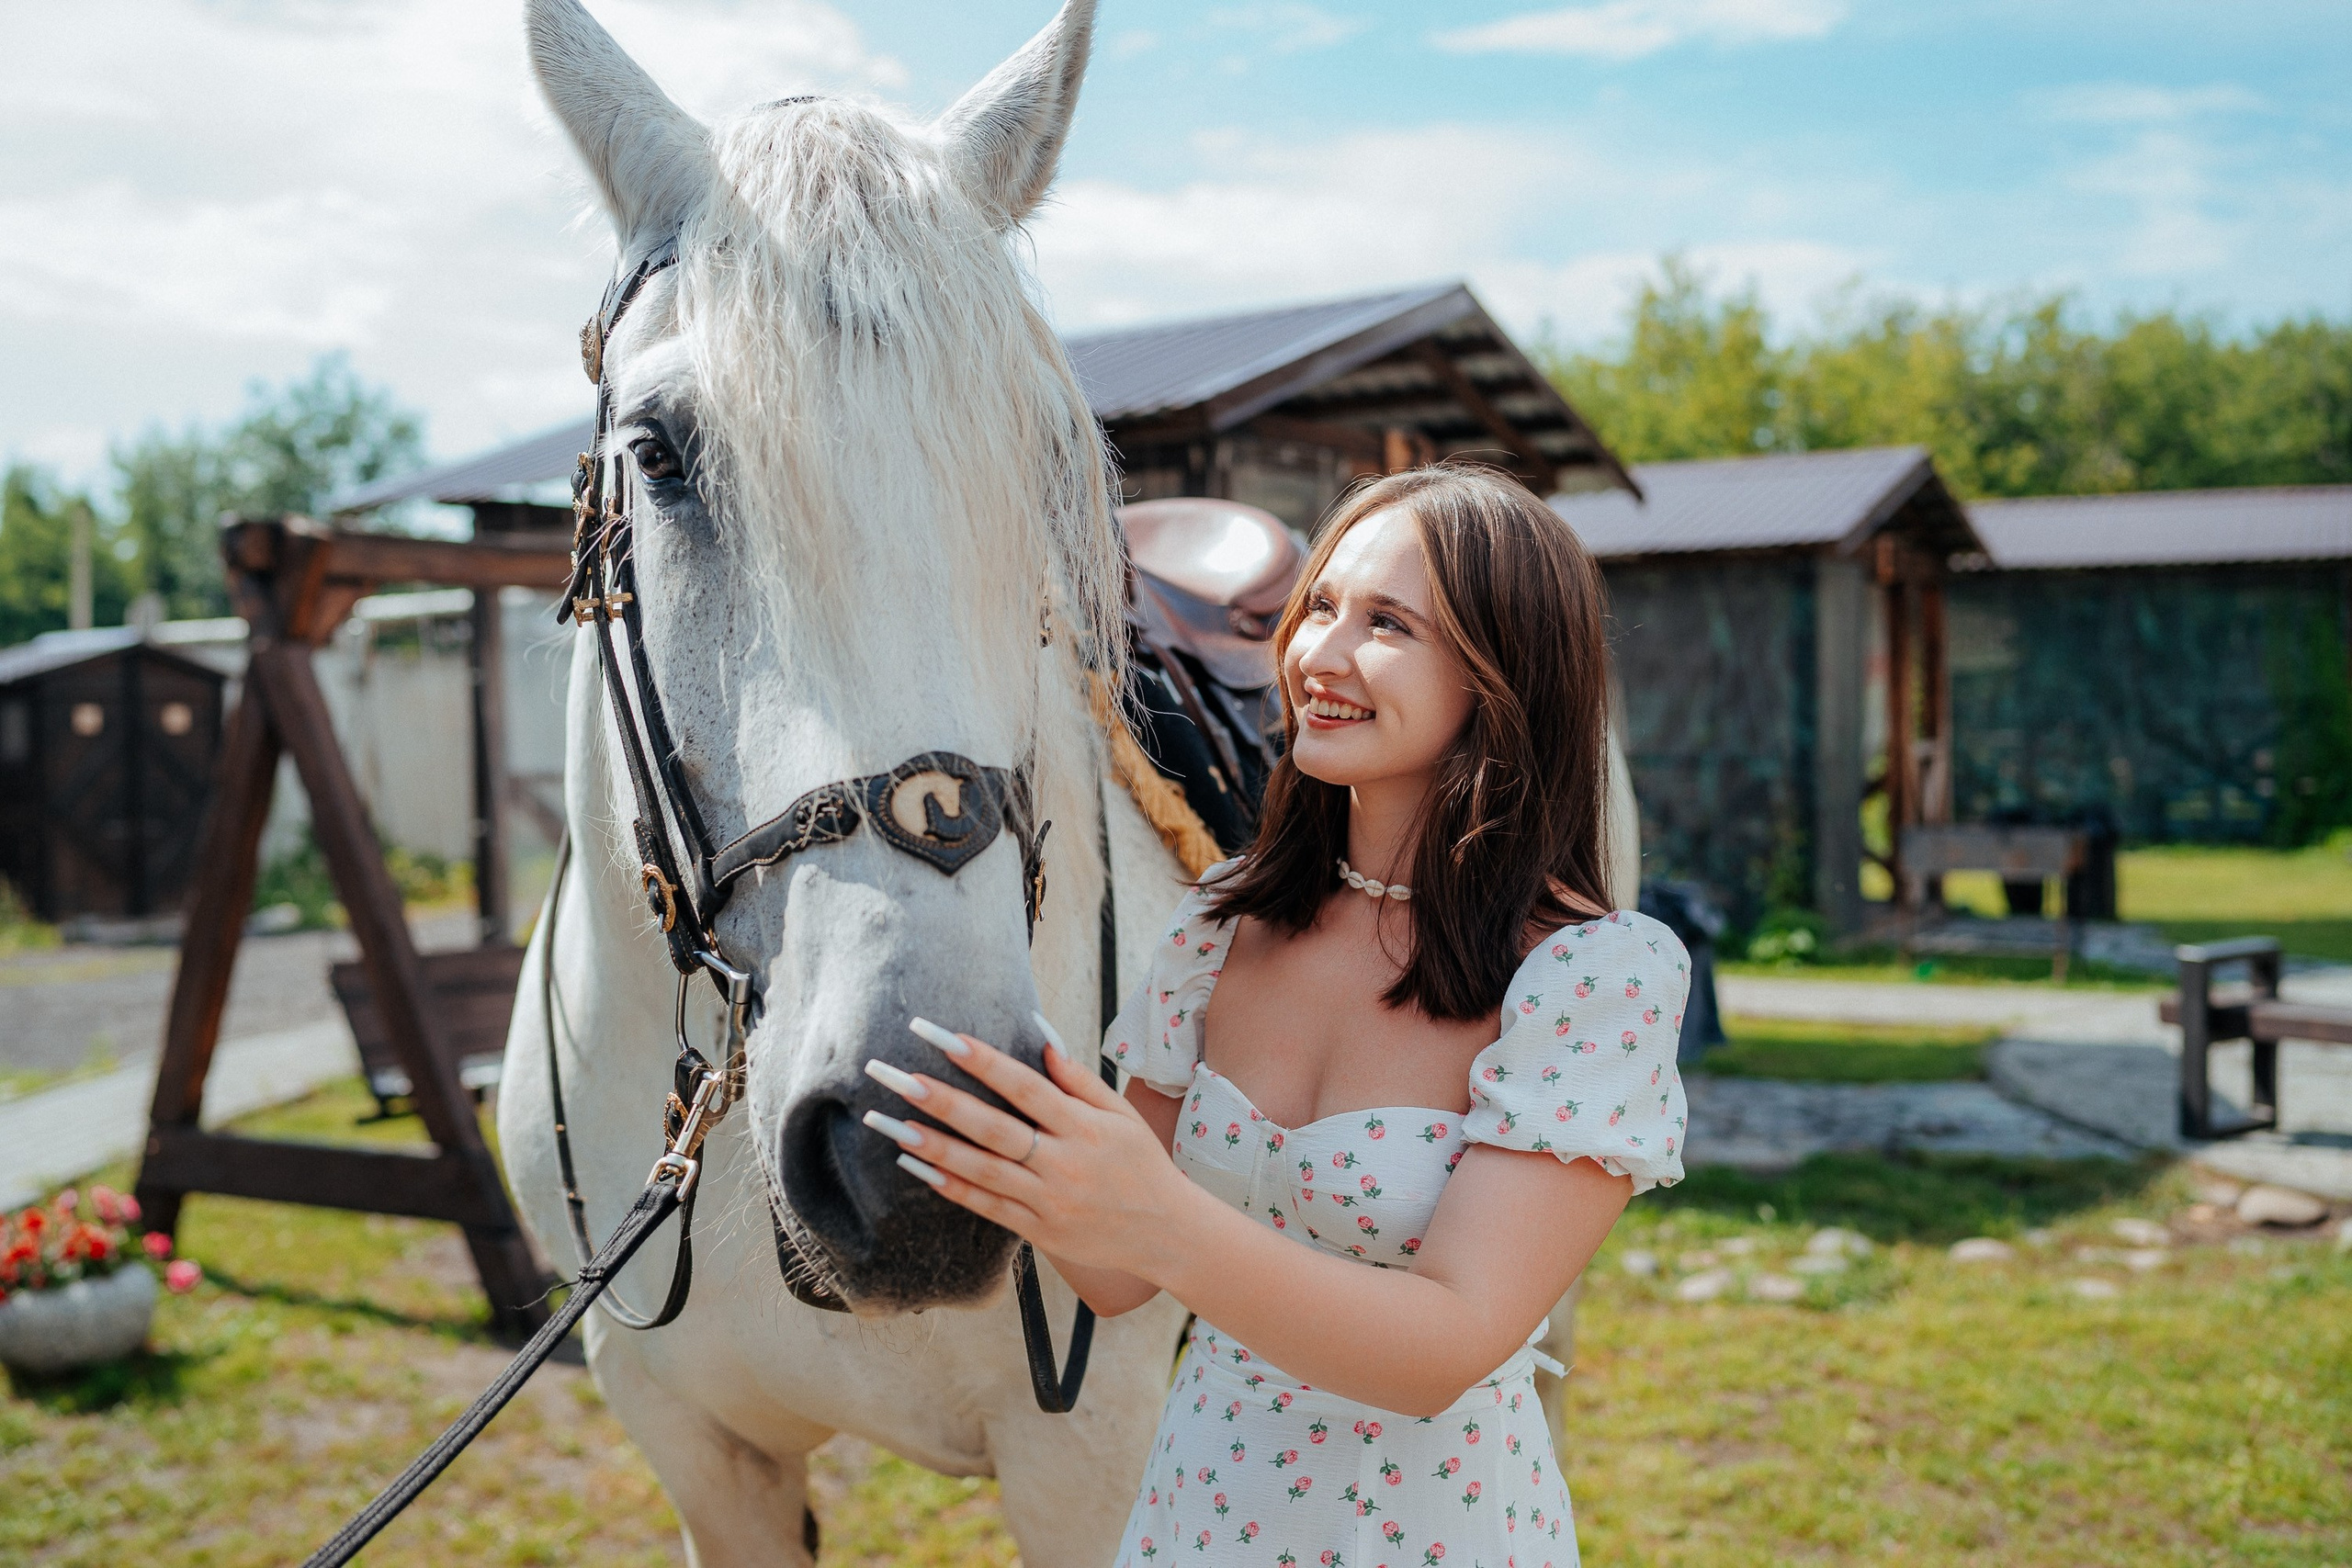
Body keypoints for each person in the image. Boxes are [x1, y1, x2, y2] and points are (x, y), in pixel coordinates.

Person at [861, 465, 1690, 1568]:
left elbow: (1442, 1347)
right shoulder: (1220, 927)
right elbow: (1117, 1279)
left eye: (1388, 623)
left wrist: (1157, 1212)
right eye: (1321, 608)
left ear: (1506, 675)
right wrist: (997, 1137)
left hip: (1429, 1534)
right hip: (1198, 1515)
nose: (1318, 658)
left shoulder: (1591, 976)